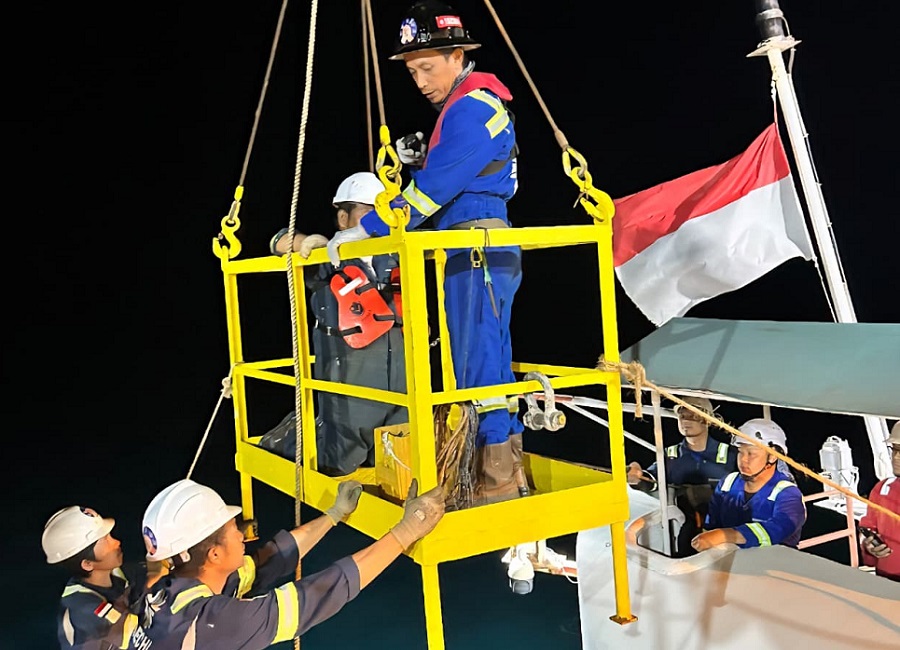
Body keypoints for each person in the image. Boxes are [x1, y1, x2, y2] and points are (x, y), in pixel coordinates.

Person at [324, 1, 525, 505]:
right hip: (474, 242)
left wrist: (366, 229)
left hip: (472, 242)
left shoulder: (472, 108)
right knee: (489, 359)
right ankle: (505, 467)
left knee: (477, 361)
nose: (418, 80)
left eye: (427, 67)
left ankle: (495, 478)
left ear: (458, 55)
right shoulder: (473, 106)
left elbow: (431, 192)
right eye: (412, 70)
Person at [130, 477, 444, 649]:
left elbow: (268, 560)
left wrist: (333, 516)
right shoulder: (212, 624)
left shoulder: (169, 590)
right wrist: (407, 531)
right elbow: (318, 594)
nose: (242, 535)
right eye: (232, 530)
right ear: (213, 554)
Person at [265, 171, 406, 476]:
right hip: (350, 371)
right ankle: (286, 439)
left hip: (400, 373)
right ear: (343, 219)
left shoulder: (396, 256)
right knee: (342, 456)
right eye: (368, 213)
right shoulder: (331, 258)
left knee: (401, 451)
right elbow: (278, 240)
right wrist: (309, 242)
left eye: (382, 214)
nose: (375, 223)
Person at [626, 396, 738, 556]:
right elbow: (651, 481)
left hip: (725, 533)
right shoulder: (670, 454)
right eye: (682, 415)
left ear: (707, 419)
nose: (686, 420)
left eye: (693, 415)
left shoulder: (731, 454)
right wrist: (637, 478)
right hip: (685, 533)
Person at [43, 505, 163, 650]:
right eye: (106, 540)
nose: (117, 542)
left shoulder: (116, 574)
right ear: (87, 564)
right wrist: (156, 575)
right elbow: (145, 641)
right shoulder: (82, 609)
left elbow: (150, 572)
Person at [691, 418, 806, 552]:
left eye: (751, 453)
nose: (744, 459)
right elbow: (711, 525)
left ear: (773, 457)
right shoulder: (727, 484)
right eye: (740, 451)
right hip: (729, 563)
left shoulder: (787, 494)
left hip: (773, 566)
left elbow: (778, 529)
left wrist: (725, 535)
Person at [858, 420, 900, 581]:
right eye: (894, 450)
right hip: (885, 581)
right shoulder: (881, 489)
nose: (896, 457)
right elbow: (867, 527)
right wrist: (869, 548)